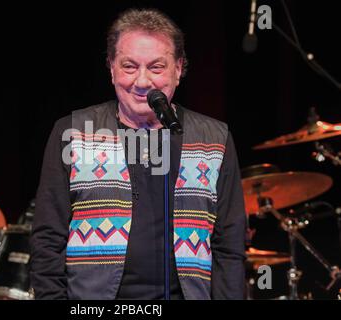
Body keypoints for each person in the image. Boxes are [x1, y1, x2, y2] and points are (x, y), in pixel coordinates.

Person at [30, 8, 246, 300]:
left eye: (156, 68)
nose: (142, 82)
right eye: (129, 66)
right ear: (111, 68)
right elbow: (47, 239)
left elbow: (229, 246)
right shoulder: (71, 132)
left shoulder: (215, 138)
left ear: (179, 69)